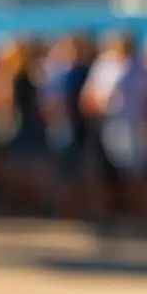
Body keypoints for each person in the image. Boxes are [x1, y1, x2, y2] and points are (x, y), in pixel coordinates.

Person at [82, 32, 147, 227]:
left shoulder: (143, 67)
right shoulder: (105, 66)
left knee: (137, 174)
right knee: (108, 173)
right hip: (110, 127)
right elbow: (88, 99)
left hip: (136, 129)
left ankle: (138, 215)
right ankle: (115, 214)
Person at [0, 39, 48, 214]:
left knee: (16, 164)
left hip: (17, 123)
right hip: (26, 122)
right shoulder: (28, 74)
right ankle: (27, 202)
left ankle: (17, 202)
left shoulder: (8, 74)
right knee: (27, 164)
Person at [41, 34, 92, 220]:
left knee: (67, 172)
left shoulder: (60, 74)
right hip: (69, 127)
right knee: (69, 171)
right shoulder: (66, 74)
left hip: (67, 127)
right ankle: (68, 209)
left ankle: (67, 210)